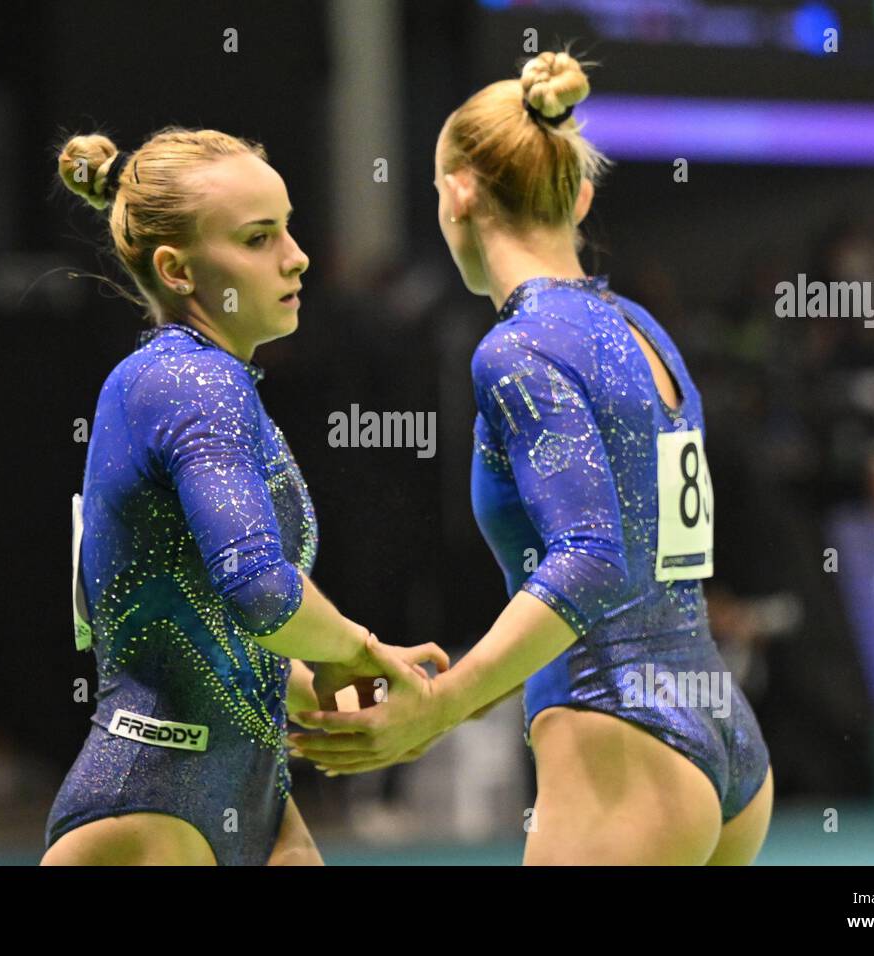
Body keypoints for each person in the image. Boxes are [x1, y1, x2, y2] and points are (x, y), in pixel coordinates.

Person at [290, 53, 774, 865]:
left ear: (457, 193)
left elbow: (589, 565)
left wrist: (442, 705)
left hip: (620, 744)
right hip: (721, 734)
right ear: (579, 196)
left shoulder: (517, 350)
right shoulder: (643, 329)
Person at [41, 128, 445, 866]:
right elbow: (259, 587)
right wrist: (358, 649)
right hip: (152, 804)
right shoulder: (190, 382)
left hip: (248, 798)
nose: (296, 255)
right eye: (259, 238)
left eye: (288, 227)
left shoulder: (213, 384)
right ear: (178, 268)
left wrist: (317, 685)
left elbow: (205, 618)